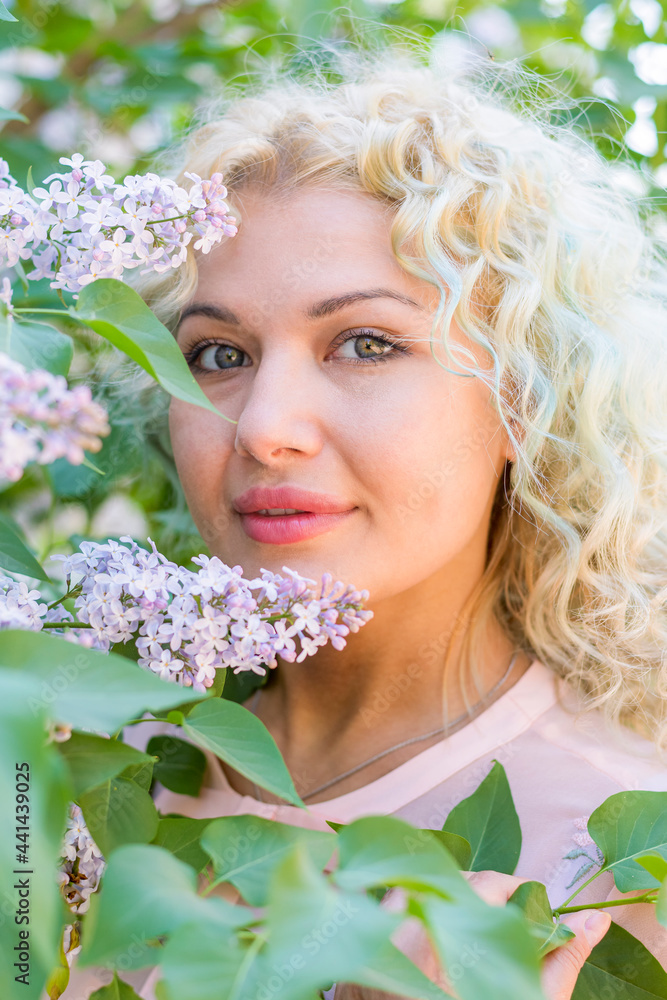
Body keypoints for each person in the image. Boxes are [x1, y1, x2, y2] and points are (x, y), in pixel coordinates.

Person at [60, 28, 667, 1000]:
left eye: (365, 343)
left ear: (522, 395)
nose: (265, 428)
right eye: (219, 354)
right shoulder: (64, 789)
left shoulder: (617, 871)